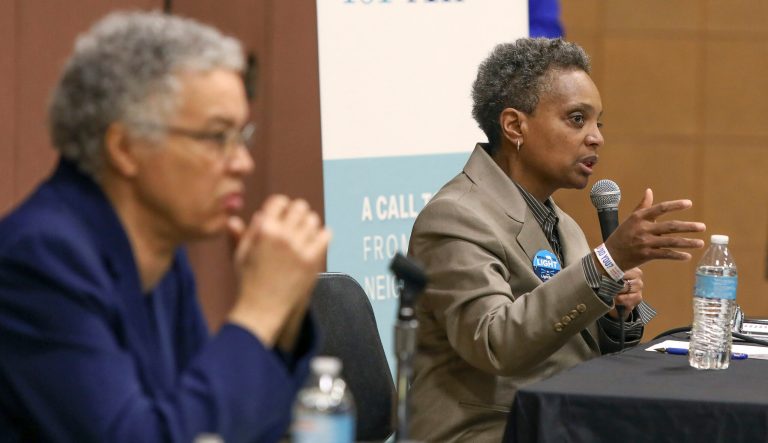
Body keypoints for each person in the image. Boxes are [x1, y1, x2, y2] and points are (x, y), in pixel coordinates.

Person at [0, 11, 330, 443]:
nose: (243, 163)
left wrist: (283, 322)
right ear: (125, 148)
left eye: (242, 138)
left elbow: (213, 425)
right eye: (216, 137)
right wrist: (259, 310)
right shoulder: (41, 259)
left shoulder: (161, 253)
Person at [407, 38, 706, 442]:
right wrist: (607, 260)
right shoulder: (457, 216)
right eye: (577, 119)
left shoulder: (562, 222)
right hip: (487, 431)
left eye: (599, 123)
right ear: (515, 126)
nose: (596, 137)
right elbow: (496, 344)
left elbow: (579, 343)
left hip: (560, 418)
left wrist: (620, 311)